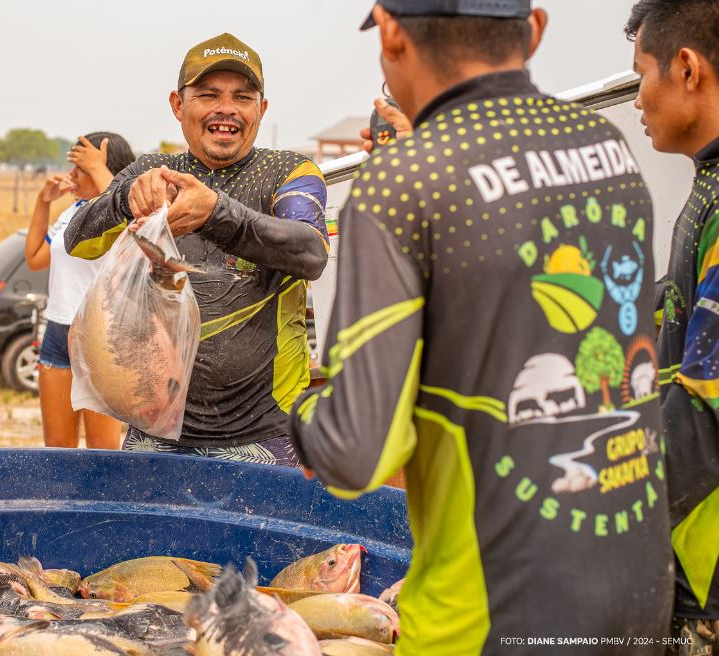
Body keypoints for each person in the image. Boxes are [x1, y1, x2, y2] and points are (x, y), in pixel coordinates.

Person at [290, 1, 673, 653]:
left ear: (389, 32)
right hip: (636, 592)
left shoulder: (402, 183)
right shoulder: (605, 146)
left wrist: (304, 415)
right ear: (535, 28)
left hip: (493, 616)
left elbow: (356, 453)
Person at [65, 34, 328, 466]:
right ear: (177, 105)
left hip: (267, 430)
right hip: (154, 428)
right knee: (151, 536)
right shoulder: (151, 170)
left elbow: (311, 252)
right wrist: (124, 197)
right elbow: (78, 240)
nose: (226, 108)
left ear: (261, 110)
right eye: (208, 95)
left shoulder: (289, 172)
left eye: (242, 97)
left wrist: (218, 215)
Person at [625, 1, 719, 652]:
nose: (636, 99)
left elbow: (707, 413)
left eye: (640, 76)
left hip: (707, 560)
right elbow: (676, 306)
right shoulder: (707, 187)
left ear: (686, 68)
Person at [24, 133, 134, 448]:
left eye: (81, 167)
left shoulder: (118, 212)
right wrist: (42, 203)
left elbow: (125, 207)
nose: (71, 175)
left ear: (105, 167)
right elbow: (34, 259)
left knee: (103, 452)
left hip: (98, 336)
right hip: (57, 332)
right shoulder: (73, 211)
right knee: (57, 450)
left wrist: (99, 169)